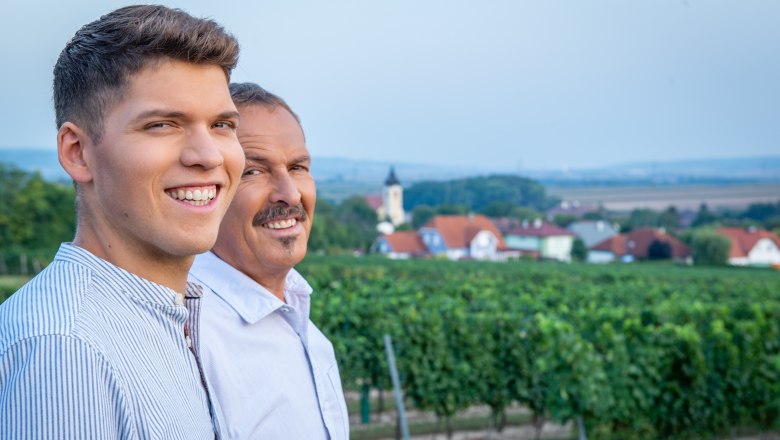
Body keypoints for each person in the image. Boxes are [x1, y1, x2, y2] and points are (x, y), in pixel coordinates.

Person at [0, 5, 244, 438]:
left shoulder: (168, 318)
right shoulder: (67, 350)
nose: (208, 155)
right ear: (77, 152)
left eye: (222, 124)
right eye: (162, 125)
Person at [187, 83, 350, 439]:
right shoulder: (186, 342)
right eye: (253, 171)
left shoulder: (313, 340)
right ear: (205, 187)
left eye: (298, 167)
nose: (290, 193)